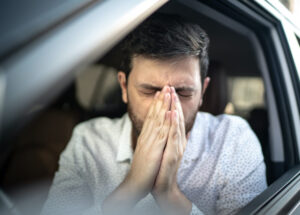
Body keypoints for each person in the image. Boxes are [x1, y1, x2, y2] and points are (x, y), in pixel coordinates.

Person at [42, 14, 267, 215]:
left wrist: (169, 195)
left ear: (203, 92)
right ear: (123, 87)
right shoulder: (89, 141)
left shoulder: (233, 140)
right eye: (149, 90)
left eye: (183, 92)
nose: (167, 106)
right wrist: (130, 189)